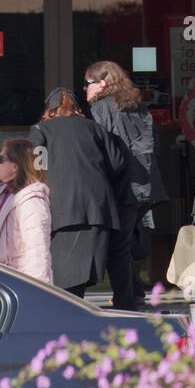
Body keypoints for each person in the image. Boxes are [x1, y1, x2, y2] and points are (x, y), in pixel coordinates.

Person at [28, 87, 129, 302]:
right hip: (99, 210)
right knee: (96, 272)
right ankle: (127, 307)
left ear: (50, 109)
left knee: (64, 285)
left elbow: (34, 166)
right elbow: (117, 164)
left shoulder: (41, 130)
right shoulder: (95, 128)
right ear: (77, 108)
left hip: (62, 211)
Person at [85, 59, 167, 300]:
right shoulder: (137, 106)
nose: (85, 89)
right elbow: (154, 144)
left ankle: (125, 300)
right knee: (125, 239)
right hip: (147, 185)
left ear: (101, 84)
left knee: (117, 247)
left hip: (125, 186)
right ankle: (136, 291)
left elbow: (104, 150)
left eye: (88, 83)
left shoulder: (101, 108)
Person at [0, 136, 52, 283]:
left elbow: (37, 252)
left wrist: (37, 292)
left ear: (16, 166)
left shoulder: (31, 202)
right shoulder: (1, 194)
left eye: (2, 159)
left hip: (20, 284)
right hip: (2, 280)